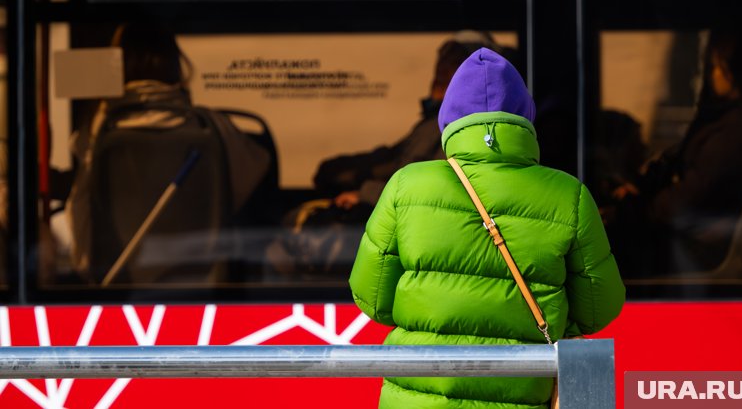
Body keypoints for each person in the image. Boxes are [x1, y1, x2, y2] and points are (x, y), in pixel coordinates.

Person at [349, 48, 625, 408]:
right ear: (525, 120)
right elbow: (598, 310)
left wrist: (430, 314)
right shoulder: (569, 194)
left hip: (417, 398)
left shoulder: (406, 185)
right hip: (522, 395)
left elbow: (371, 298)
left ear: (448, 120)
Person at [64, 22, 272, 281]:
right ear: (175, 65)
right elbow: (251, 173)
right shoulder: (209, 128)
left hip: (119, 279)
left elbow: (81, 208)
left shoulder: (100, 130)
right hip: (201, 277)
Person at [314, 30, 511, 211]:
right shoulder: (435, 119)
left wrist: (365, 193)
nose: (442, 68)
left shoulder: (458, 126)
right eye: (443, 58)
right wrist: (343, 170)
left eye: (453, 61)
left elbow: (435, 188)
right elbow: (394, 158)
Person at [643, 25, 742, 274]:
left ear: (736, 71)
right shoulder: (728, 119)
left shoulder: (735, 132)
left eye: (718, 66)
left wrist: (642, 205)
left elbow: (688, 198)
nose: (711, 74)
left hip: (699, 248)